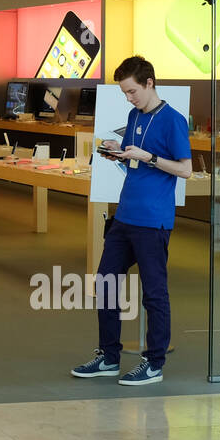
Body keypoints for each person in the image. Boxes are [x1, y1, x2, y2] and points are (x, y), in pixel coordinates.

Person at [71, 55, 191, 387]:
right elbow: (135, 161)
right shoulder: (134, 115)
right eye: (125, 93)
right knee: (106, 283)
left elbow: (185, 169)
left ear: (149, 83)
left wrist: (148, 156)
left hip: (153, 220)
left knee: (154, 293)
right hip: (125, 216)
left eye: (132, 91)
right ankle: (108, 357)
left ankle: (154, 363)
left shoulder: (173, 120)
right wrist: (120, 150)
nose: (128, 98)